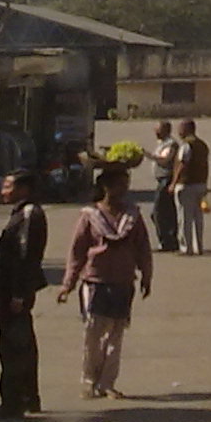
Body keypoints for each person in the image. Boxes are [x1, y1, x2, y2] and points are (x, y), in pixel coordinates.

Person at [58, 160, 154, 398]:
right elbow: (77, 251)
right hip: (95, 282)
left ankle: (107, 383)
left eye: (126, 184)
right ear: (106, 187)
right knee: (93, 333)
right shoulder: (90, 216)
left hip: (123, 281)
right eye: (118, 185)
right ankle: (90, 380)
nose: (123, 190)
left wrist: (146, 276)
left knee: (116, 334)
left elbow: (143, 247)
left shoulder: (132, 215)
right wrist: (67, 284)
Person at [0, 169, 50, 419]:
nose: (3, 191)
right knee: (19, 344)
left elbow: (26, 257)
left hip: (14, 292)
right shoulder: (20, 213)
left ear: (24, 189)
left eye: (8, 186)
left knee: (14, 347)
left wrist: (20, 294)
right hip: (7, 290)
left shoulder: (30, 214)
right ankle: (27, 397)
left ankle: (14, 401)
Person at [173, 118, 211, 254]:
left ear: (187, 129)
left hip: (187, 184)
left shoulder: (186, 145)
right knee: (198, 218)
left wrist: (174, 182)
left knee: (185, 218)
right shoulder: (203, 145)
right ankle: (198, 246)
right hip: (201, 184)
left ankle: (186, 248)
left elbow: (183, 164)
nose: (178, 131)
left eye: (180, 128)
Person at [147, 119, 182, 254]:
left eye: (158, 130)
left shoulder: (171, 145)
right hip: (161, 180)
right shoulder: (162, 143)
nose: (155, 132)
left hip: (166, 180)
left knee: (159, 212)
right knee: (164, 212)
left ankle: (168, 241)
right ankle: (168, 240)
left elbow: (165, 160)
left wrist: (148, 155)